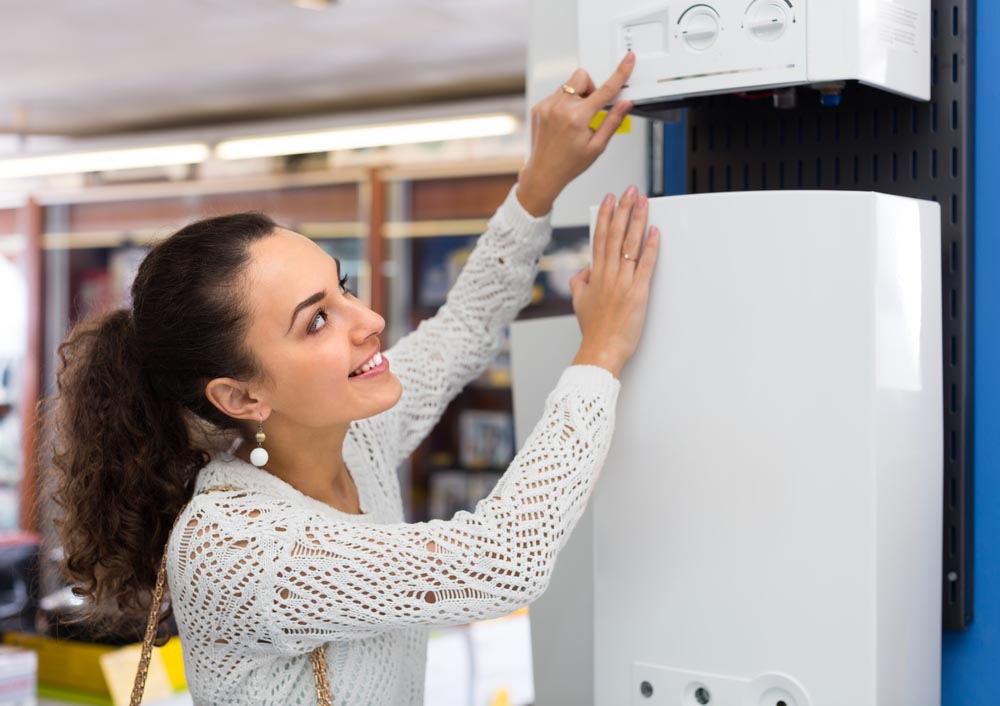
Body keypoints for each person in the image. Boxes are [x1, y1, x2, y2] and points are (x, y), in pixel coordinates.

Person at [47, 52, 660, 705]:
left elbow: (464, 328)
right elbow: (501, 562)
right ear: (242, 395)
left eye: (341, 290)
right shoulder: (235, 545)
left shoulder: (355, 435)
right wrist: (600, 352)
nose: (368, 320)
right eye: (316, 322)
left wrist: (539, 181)